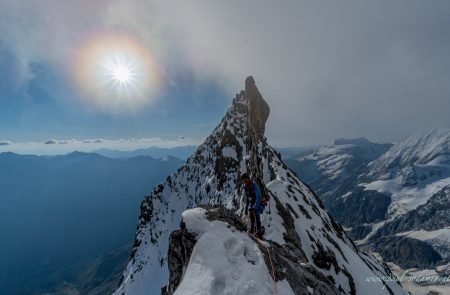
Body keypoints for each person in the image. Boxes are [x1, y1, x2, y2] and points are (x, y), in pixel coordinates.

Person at [241, 172, 264, 239]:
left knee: (256, 214)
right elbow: (248, 199)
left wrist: (254, 207)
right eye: (243, 181)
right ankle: (255, 230)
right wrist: (246, 208)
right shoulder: (246, 188)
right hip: (253, 203)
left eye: (245, 180)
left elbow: (259, 196)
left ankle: (259, 233)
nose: (244, 182)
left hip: (259, 203)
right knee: (252, 215)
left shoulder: (255, 185)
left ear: (248, 179)